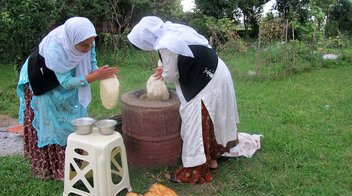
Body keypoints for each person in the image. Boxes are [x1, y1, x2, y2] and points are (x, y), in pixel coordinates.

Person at [127, 16, 239, 184]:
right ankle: (212, 161)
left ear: (146, 39)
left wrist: (163, 73)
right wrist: (163, 66)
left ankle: (194, 171)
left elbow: (171, 74)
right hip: (216, 70)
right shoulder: (173, 30)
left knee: (196, 123)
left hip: (205, 80)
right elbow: (174, 53)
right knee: (211, 118)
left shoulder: (166, 41)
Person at [17, 17, 119, 180]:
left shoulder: (87, 41)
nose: (88, 48)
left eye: (91, 44)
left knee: (73, 114)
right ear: (72, 43)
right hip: (42, 77)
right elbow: (65, 83)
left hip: (63, 76)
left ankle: (76, 162)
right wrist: (93, 77)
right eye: (84, 46)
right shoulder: (57, 49)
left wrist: (105, 76)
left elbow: (92, 65)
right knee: (53, 121)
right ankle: (52, 169)